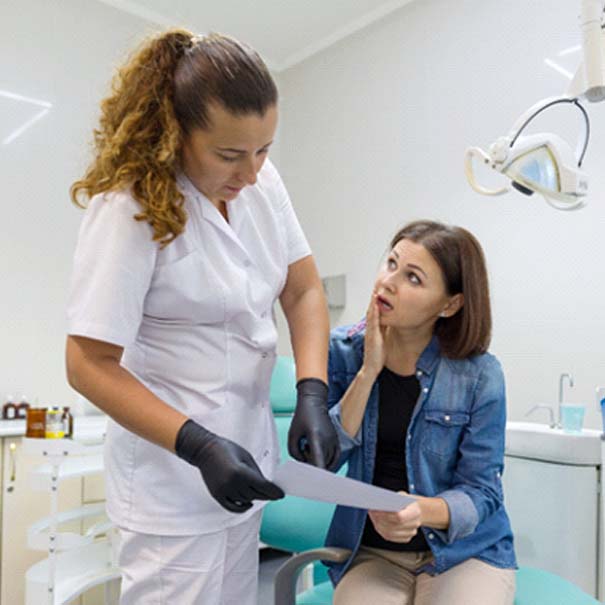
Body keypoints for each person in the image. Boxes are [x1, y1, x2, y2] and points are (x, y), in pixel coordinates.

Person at [65, 29, 339, 605]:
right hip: (172, 489)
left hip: (247, 470)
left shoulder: (261, 183)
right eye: (230, 155)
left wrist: (312, 389)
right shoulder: (131, 205)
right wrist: (197, 446)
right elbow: (88, 363)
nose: (251, 172)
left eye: (264, 149)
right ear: (177, 132)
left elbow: (304, 288)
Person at [324, 220, 517, 605]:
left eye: (413, 278)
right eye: (391, 263)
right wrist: (368, 371)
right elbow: (324, 461)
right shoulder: (344, 351)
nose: (388, 282)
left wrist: (418, 512)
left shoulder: (480, 375)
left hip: (465, 553)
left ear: (450, 304)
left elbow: (482, 492)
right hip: (375, 554)